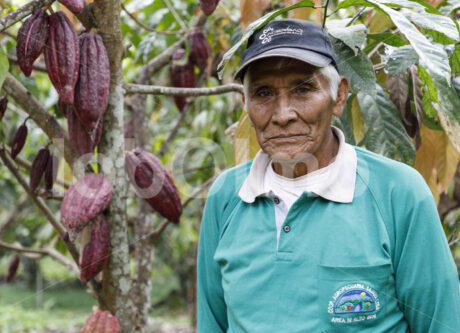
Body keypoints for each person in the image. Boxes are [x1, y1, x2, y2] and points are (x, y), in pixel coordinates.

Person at [197, 18, 460, 332]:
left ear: (339, 96)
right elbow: (212, 323)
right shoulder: (227, 196)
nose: (282, 115)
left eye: (303, 89)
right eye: (263, 93)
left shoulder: (398, 192)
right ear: (245, 102)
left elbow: (442, 323)